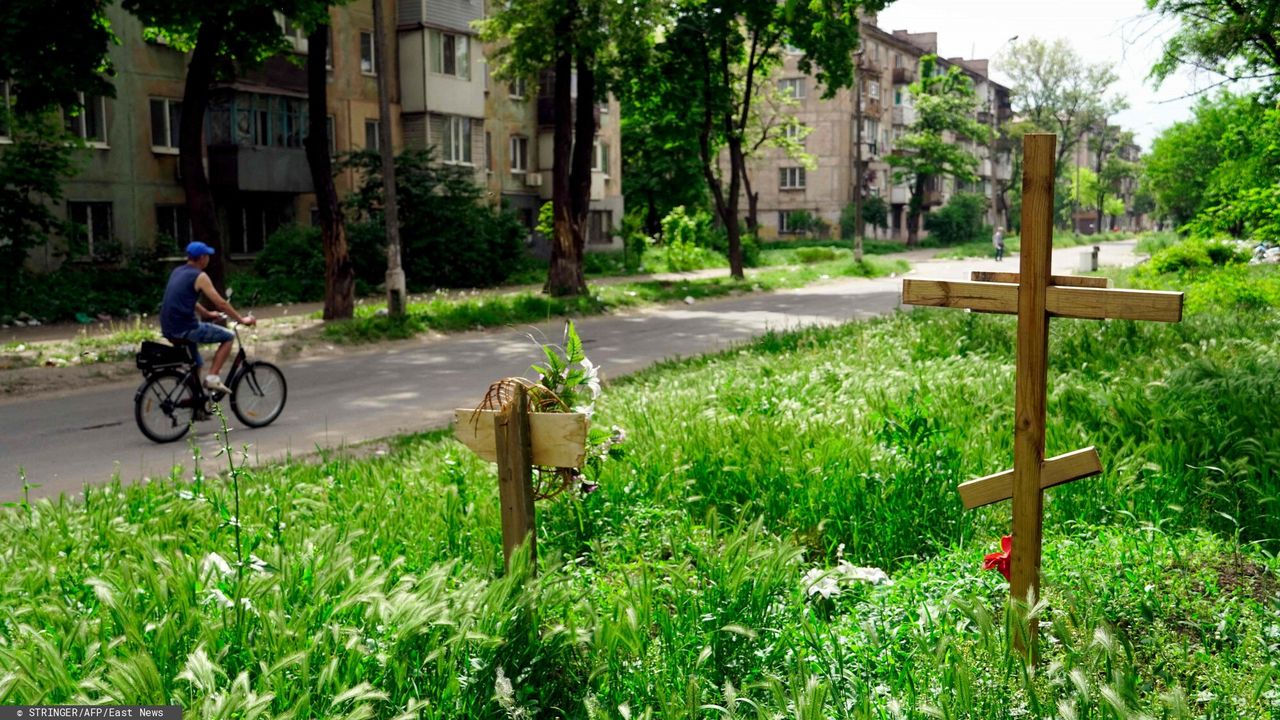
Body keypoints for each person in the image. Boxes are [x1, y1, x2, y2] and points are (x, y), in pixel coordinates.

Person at [160, 242, 256, 394]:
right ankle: (212, 377)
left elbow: (186, 299)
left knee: (196, 363)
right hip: (186, 328)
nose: (209, 259)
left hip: (169, 328)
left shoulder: (177, 271)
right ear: (202, 258)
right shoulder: (200, 276)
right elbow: (221, 303)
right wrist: (241, 320)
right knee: (228, 336)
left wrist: (206, 314)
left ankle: (197, 404)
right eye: (208, 256)